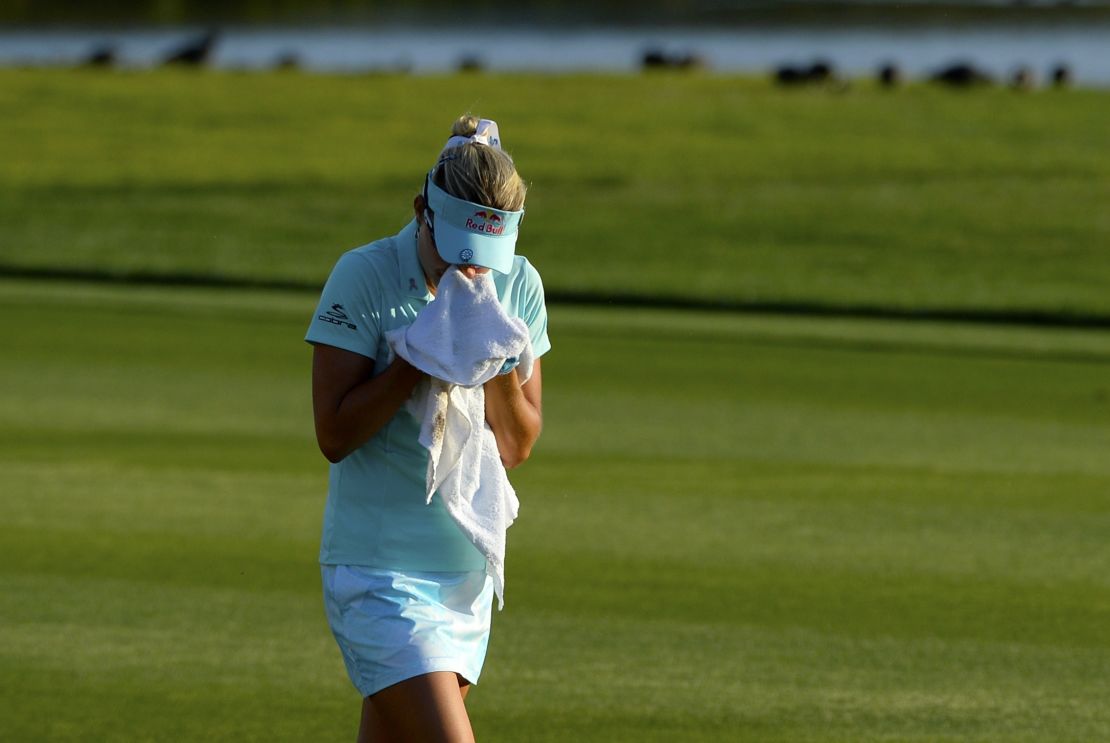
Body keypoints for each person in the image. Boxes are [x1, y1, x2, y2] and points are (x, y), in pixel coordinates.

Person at [305, 115, 550, 742]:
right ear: (423, 211)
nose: (471, 270)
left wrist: (488, 354)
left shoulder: (518, 284)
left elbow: (517, 445)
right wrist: (416, 356)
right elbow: (333, 434)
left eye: (485, 255)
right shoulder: (363, 275)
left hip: (463, 579)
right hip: (377, 574)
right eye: (457, 247)